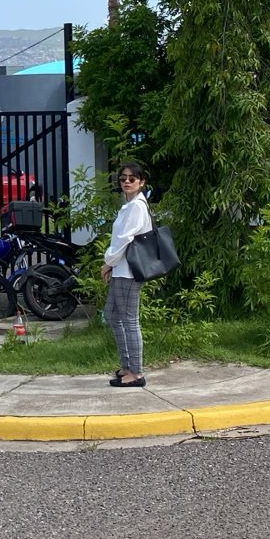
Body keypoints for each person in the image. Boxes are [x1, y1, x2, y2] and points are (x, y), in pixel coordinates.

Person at [102, 162, 154, 388]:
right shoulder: (130, 205)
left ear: (141, 182)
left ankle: (136, 372)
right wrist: (112, 265)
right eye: (123, 178)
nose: (126, 182)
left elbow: (124, 239)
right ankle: (127, 366)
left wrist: (108, 263)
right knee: (112, 315)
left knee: (130, 320)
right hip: (121, 269)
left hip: (129, 272)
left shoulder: (136, 207)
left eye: (132, 178)